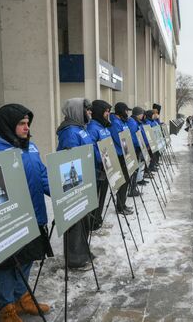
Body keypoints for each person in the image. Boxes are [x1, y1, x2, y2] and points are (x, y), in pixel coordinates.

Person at [0, 103, 53, 321]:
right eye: (21, 124)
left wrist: (62, 192)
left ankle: (22, 297)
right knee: (8, 263)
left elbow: (42, 175)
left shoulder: (29, 147)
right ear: (8, 125)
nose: (26, 128)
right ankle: (7, 307)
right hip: (12, 220)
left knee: (28, 256)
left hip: (34, 214)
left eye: (27, 123)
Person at [56, 98, 100, 268]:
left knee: (85, 219)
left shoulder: (81, 129)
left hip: (88, 178)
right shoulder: (70, 131)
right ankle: (75, 258)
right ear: (77, 111)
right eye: (87, 110)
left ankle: (83, 250)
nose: (90, 112)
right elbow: (71, 160)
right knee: (75, 220)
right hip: (77, 183)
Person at [86, 100, 112, 231]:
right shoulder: (92, 128)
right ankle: (93, 222)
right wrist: (102, 157)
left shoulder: (103, 127)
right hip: (98, 167)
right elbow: (90, 148)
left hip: (106, 166)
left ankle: (98, 218)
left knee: (102, 194)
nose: (108, 114)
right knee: (96, 196)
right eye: (106, 111)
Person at [109, 102, 135, 215]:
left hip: (125, 154)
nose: (127, 113)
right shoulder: (115, 123)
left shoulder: (121, 122)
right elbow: (120, 139)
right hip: (120, 155)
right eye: (126, 111)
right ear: (120, 111)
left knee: (126, 180)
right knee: (123, 182)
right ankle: (120, 206)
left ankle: (122, 204)